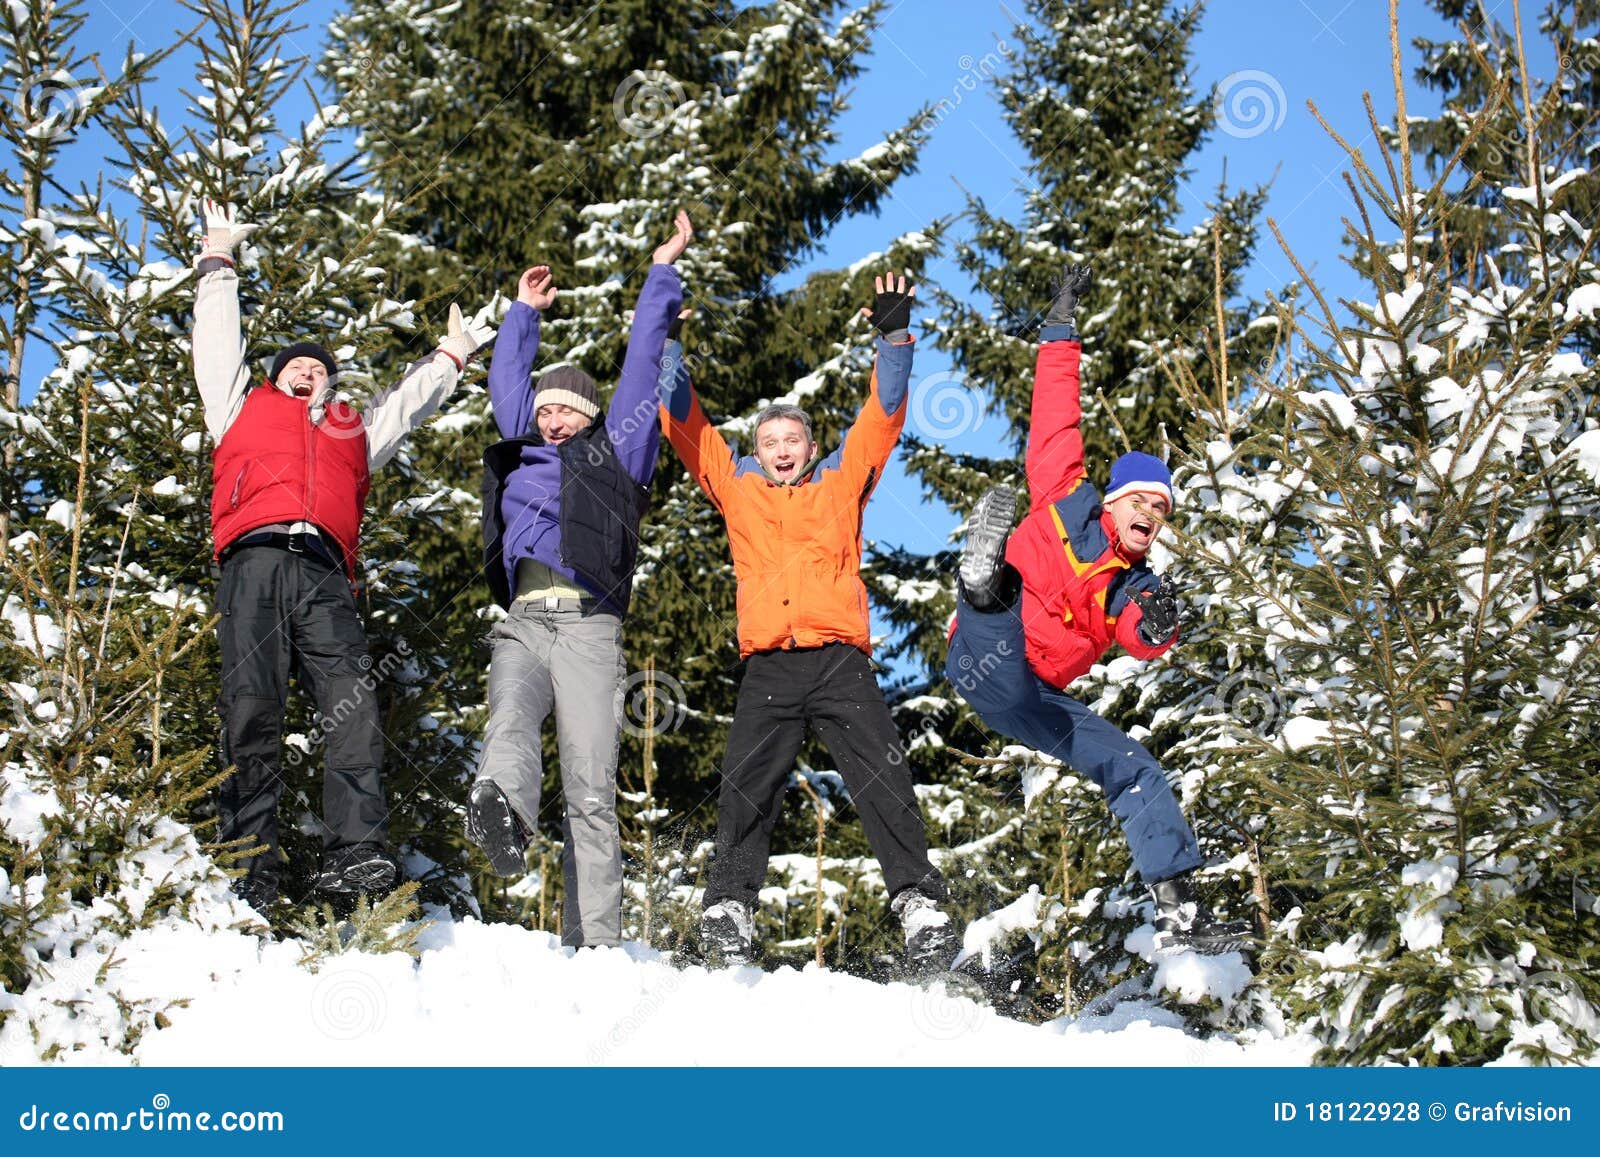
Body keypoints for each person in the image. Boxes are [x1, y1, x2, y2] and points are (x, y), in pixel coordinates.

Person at [193, 198, 490, 911]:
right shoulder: (238, 405)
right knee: (252, 707)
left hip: (326, 574)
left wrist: (456, 353)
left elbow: (406, 405)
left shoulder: (350, 432)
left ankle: (353, 852)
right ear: (276, 376)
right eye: (295, 366)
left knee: (351, 708)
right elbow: (215, 343)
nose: (306, 373)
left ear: (328, 383)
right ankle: (248, 863)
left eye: (317, 369)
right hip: (254, 563)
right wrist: (218, 261)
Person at [946, 264, 1250, 954]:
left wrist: (1161, 626)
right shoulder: (1064, 494)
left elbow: (1140, 635)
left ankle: (1179, 908)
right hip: (984, 654)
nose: (1151, 514)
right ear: (1113, 500)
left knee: (1134, 765)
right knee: (999, 618)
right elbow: (1058, 409)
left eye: (1163, 511)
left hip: (1036, 698)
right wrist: (1061, 329)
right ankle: (981, 580)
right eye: (1142, 500)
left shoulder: (1132, 583)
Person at [656, 269, 953, 971]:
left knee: (882, 772)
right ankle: (729, 906)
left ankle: (920, 905)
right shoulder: (738, 490)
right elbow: (683, 422)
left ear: (811, 446)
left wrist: (893, 335)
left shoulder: (841, 483)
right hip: (769, 665)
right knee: (746, 782)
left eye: (792, 437)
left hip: (839, 660)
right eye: (769, 440)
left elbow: (882, 416)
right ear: (755, 452)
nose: (782, 447)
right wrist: (663, 338)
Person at [467, 212, 690, 948]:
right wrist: (523, 313)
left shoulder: (618, 453)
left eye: (567, 408)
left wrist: (661, 274)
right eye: (545, 408)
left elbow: (639, 365)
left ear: (592, 417)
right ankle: (505, 815)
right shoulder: (523, 447)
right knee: (506, 725)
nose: (553, 417)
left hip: (590, 627)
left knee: (591, 789)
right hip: (521, 623)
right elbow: (506, 380)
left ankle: (597, 942)